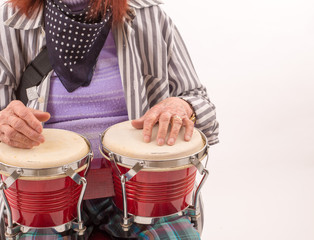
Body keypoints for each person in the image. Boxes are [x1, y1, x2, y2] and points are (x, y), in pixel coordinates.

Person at [0, 0, 219, 239]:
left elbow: (200, 103)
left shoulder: (149, 14)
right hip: (41, 194)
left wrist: (183, 106)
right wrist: (5, 124)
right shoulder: (11, 20)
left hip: (146, 191)